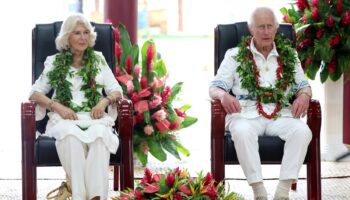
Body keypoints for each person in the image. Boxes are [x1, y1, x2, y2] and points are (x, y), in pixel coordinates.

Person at [209, 7, 312, 200]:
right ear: (251, 29)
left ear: (276, 28)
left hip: (281, 114)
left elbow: (303, 85)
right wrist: (223, 96)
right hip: (245, 114)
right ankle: (259, 192)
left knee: (302, 131)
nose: (266, 32)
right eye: (260, 27)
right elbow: (214, 87)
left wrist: (304, 96)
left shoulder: (289, 54)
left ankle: (282, 192)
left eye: (270, 26)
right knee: (242, 132)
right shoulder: (234, 55)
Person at [29, 13, 122, 200]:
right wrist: (57, 107)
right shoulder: (55, 62)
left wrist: (103, 102)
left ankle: (96, 197)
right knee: (70, 136)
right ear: (67, 38)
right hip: (64, 119)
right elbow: (34, 93)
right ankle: (79, 196)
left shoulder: (98, 60)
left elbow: (117, 91)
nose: (83, 37)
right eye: (77, 33)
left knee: (100, 136)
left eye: (86, 32)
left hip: (94, 118)